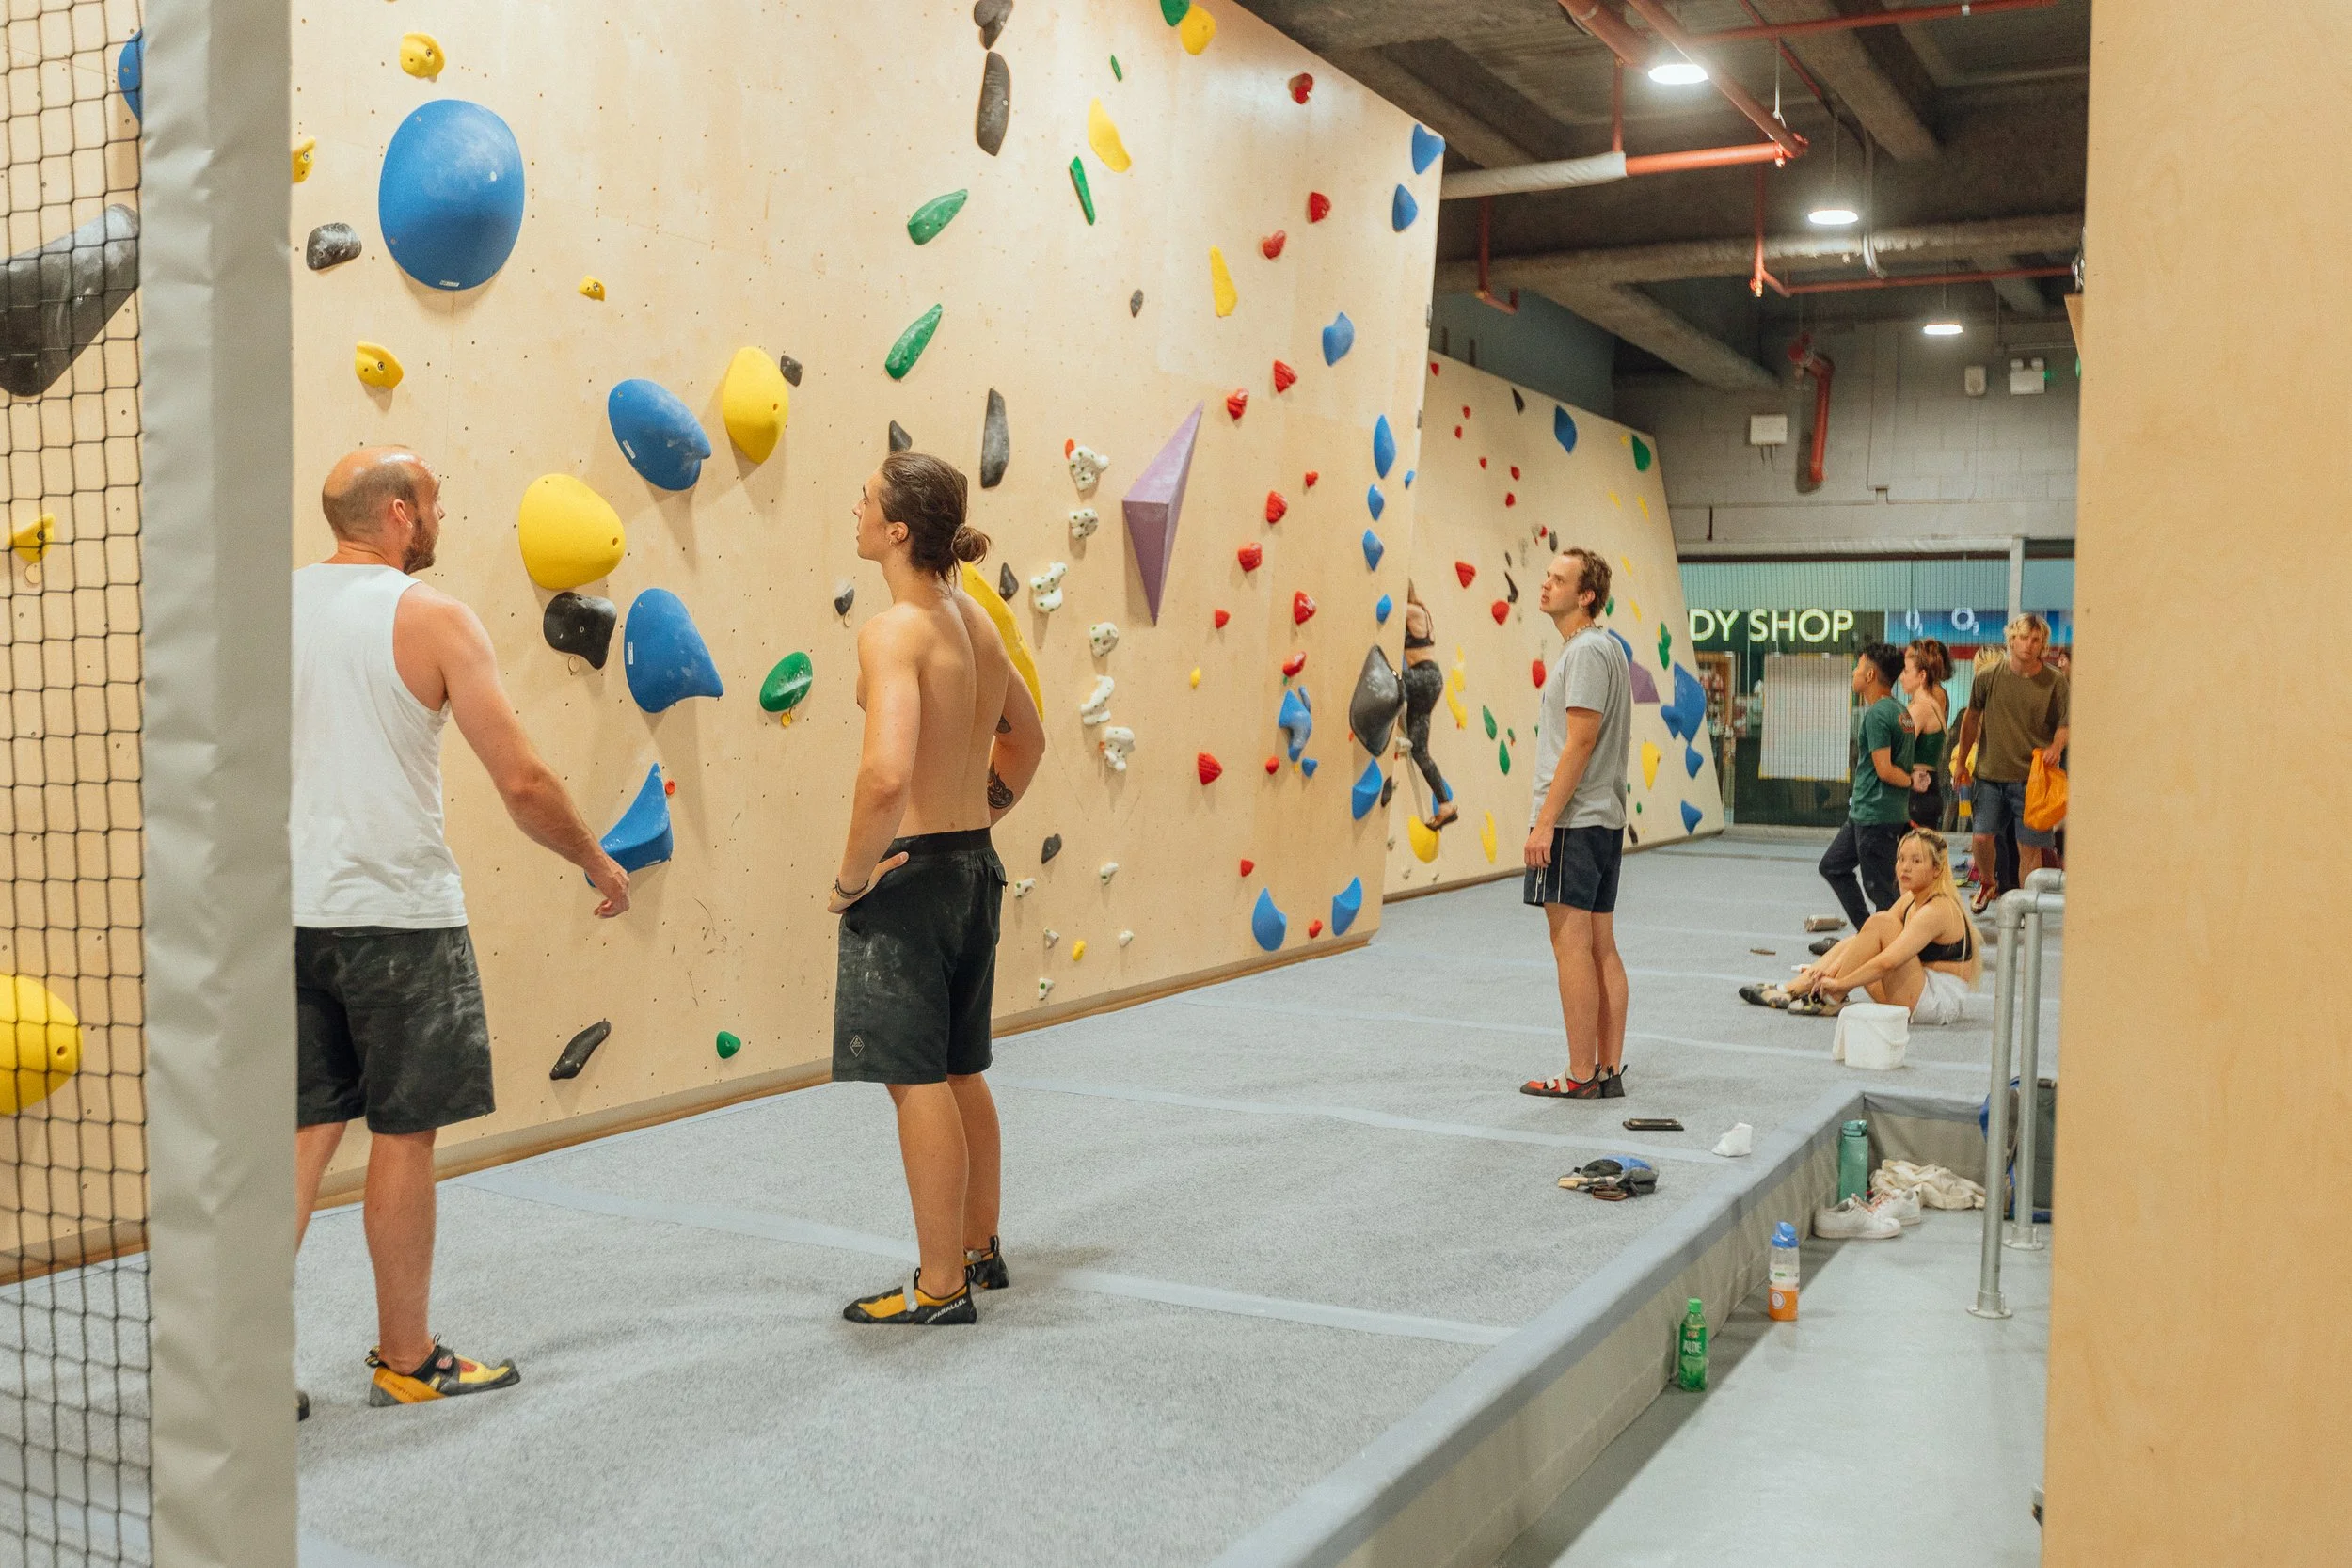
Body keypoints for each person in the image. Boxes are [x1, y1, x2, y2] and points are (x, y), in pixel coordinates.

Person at [294, 447, 632, 1412]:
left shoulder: (270, 608)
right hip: (397, 918)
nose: (443, 516)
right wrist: (596, 858)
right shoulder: (433, 617)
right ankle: (407, 1357)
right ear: (400, 514)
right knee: (404, 1132)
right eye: (434, 501)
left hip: (286, 913)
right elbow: (521, 780)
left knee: (302, 1131)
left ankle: (233, 1366)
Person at [829, 452, 1046, 1327]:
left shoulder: (895, 632)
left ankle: (940, 1283)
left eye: (866, 498)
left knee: (914, 1079)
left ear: (896, 530)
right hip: (972, 866)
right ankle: (979, 1247)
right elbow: (1027, 741)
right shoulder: (976, 622)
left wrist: (851, 878)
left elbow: (885, 775)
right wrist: (979, 813)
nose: (854, 505)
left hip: (912, 877)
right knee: (961, 1069)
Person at [1518, 547, 1633, 1101]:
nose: (1545, 585)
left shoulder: (1585, 651)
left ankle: (1581, 1073)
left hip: (1574, 822)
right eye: (1546, 575)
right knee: (1600, 945)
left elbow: (1580, 742)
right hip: (1601, 820)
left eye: (1559, 579)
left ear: (1586, 596)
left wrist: (1545, 822)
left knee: (1572, 948)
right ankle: (1606, 1069)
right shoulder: (1605, 648)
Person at [1742, 829, 1980, 1022]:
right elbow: (1865, 941)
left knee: (1881, 922)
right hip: (1916, 989)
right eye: (1901, 859)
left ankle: (1830, 996)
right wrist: (1830, 970)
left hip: (1936, 1002)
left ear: (1937, 869)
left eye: (1916, 861)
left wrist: (1840, 983)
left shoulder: (1937, 909)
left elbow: (1888, 961)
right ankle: (1792, 989)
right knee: (1859, 937)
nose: (1905, 867)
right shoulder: (1910, 899)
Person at [1951, 613, 2071, 912]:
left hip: (2032, 780)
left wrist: (2056, 746)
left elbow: (2065, 723)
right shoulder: (1988, 677)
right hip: (1990, 774)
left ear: (2043, 644)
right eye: (2023, 638)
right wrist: (1962, 762)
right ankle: (1987, 881)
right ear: (2011, 639)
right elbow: (1970, 720)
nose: (2029, 645)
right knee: (1981, 837)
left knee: (2028, 848)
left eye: (2036, 640)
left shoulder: (2055, 681)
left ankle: (2026, 905)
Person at [1817, 643, 1915, 935]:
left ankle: (1897, 943)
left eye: (1858, 667)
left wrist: (1911, 782)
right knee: (1833, 865)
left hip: (1876, 815)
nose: (1854, 673)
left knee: (1881, 891)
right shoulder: (1901, 712)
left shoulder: (1878, 715)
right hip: (1866, 814)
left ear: (1870, 675)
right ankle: (1869, 933)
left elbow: (1885, 769)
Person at [1397, 584, 1456, 830]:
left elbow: (1388, 607)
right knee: (1419, 750)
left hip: (1424, 677)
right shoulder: (1418, 611)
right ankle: (1446, 805)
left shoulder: (1412, 610)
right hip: (1428, 681)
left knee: (1391, 679)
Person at [1903, 638, 1953, 830]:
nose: (1902, 676)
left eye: (1907, 670)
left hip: (1920, 788)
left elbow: (1902, 748)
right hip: (1924, 786)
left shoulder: (1924, 705)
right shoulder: (1923, 703)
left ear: (1921, 673)